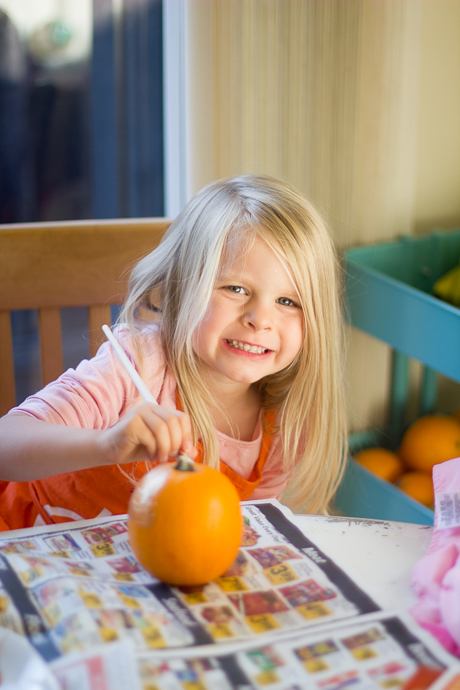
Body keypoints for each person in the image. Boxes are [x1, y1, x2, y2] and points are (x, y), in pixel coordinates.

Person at [0, 174, 347, 530]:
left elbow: (245, 530)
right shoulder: (139, 362)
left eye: (288, 301)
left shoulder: (284, 424)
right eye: (236, 288)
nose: (260, 320)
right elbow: (5, 441)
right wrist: (105, 445)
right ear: (178, 288)